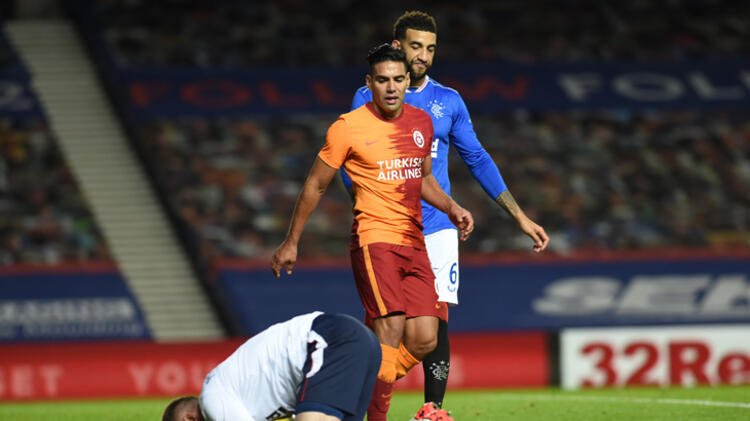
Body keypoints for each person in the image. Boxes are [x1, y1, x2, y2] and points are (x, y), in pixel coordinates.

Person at [343, 11, 550, 421]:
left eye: (430, 49)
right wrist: (366, 202)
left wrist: (519, 217)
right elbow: (350, 164)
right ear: (397, 46)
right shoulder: (368, 96)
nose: (423, 56)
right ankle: (359, 391)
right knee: (387, 329)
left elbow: (477, 157)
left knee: (434, 325)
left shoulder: (448, 101)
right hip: (387, 228)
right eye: (415, 46)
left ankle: (432, 410)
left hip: (436, 228)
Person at [272, 44, 473, 421]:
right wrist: (291, 241)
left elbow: (423, 179)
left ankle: (353, 378)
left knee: (426, 338)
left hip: (414, 242)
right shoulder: (348, 127)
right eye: (382, 80)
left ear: (407, 80)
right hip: (374, 240)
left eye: (398, 79)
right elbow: (316, 184)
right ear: (370, 83)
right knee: (390, 331)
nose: (391, 87)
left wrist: (452, 207)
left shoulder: (420, 122)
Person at [161, 311, 381, 421]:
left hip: (328, 340)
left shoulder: (212, 402)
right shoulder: (228, 391)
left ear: (188, 419)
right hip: (358, 342)